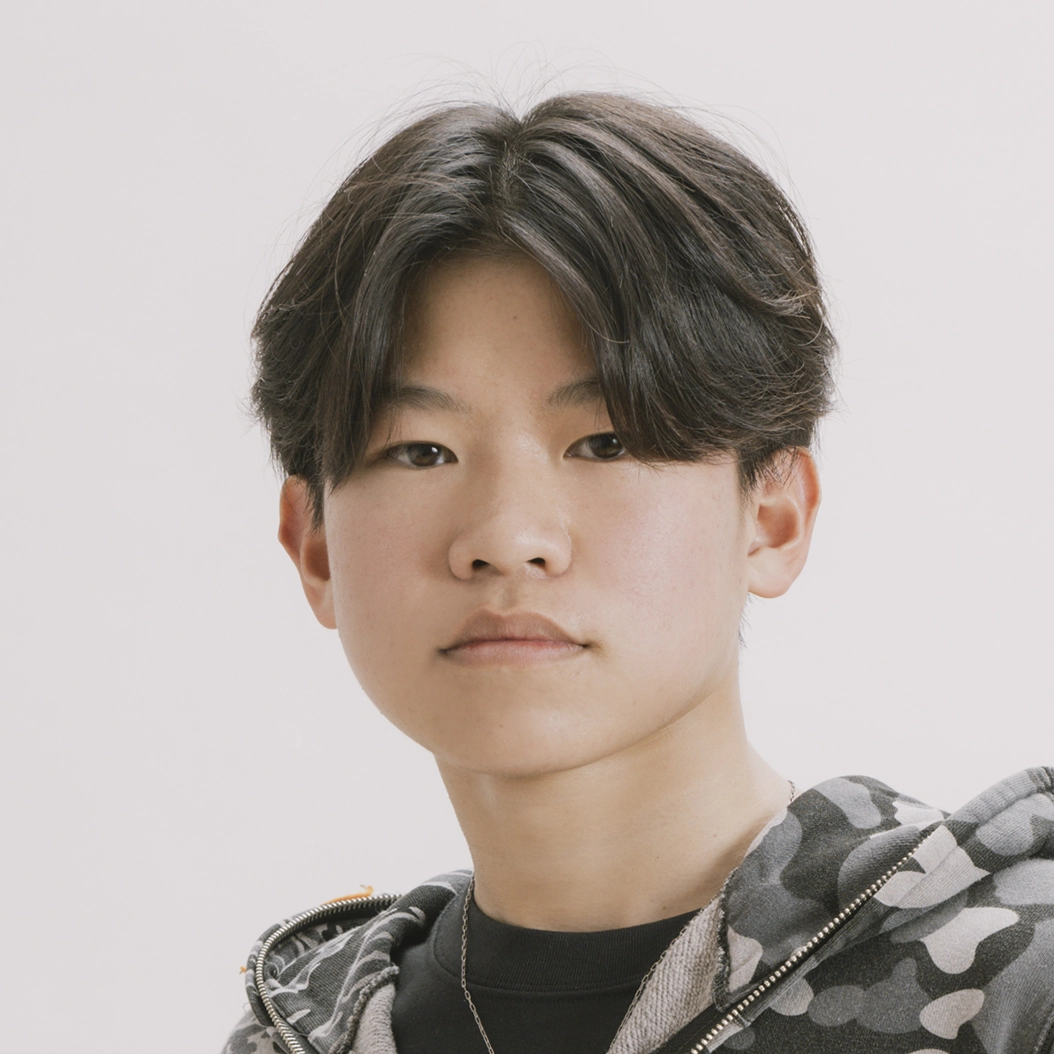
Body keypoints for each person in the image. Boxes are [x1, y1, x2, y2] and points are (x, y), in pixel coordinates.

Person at [221, 92, 1054, 1054]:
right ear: (315, 544)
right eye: (420, 451)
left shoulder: (1018, 981)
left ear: (772, 517)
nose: (507, 539)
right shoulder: (298, 1035)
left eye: (606, 442)